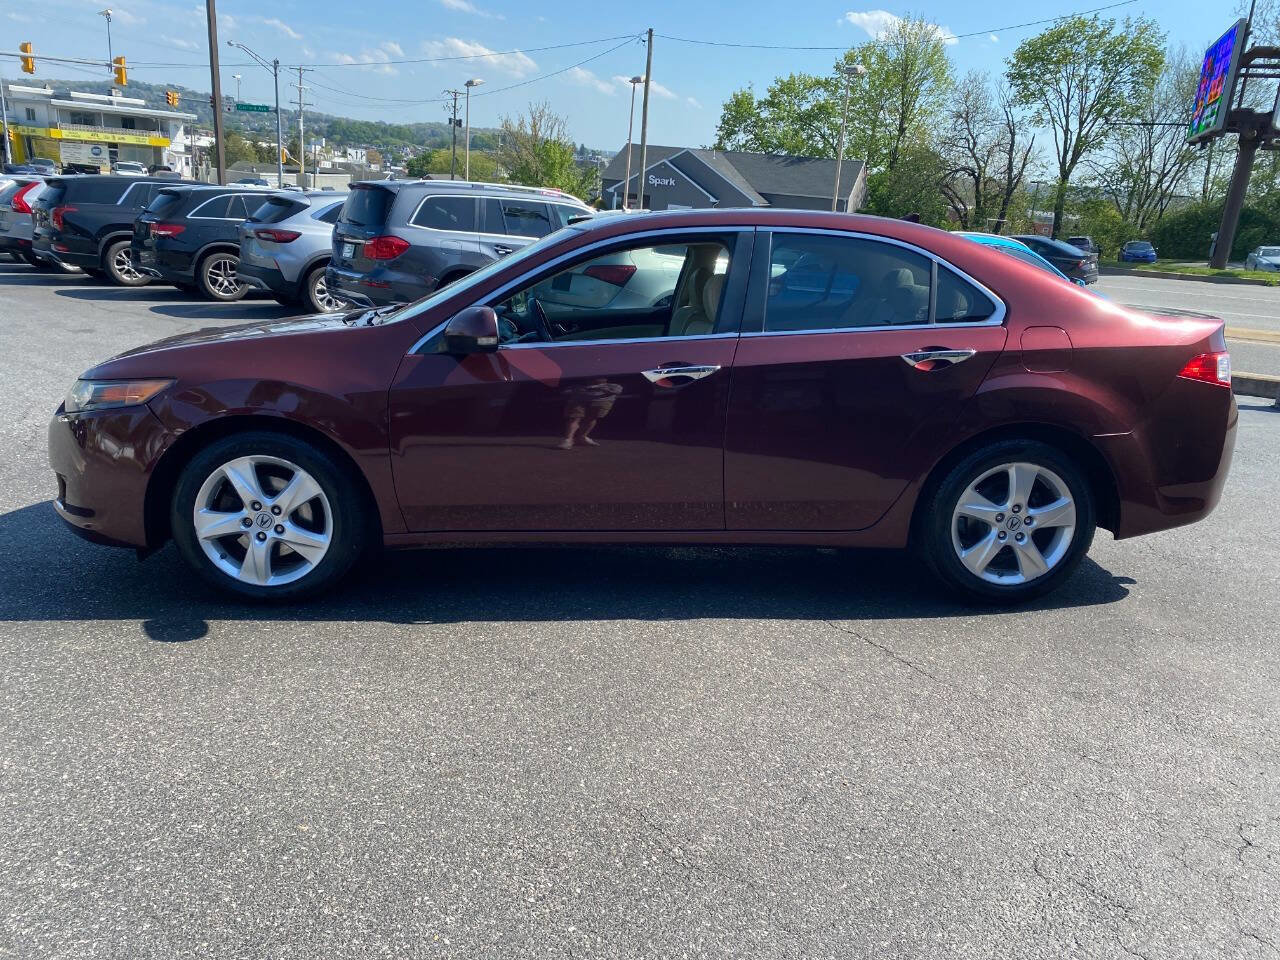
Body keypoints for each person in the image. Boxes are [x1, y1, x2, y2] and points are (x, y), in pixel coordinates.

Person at [558, 378, 622, 449]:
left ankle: (582, 437)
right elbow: (565, 392)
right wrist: (579, 391)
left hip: (599, 402)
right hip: (578, 401)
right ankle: (568, 440)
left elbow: (618, 391)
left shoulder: (612, 385)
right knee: (574, 418)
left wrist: (602, 389)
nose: (598, 378)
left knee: (591, 419)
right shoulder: (578, 386)